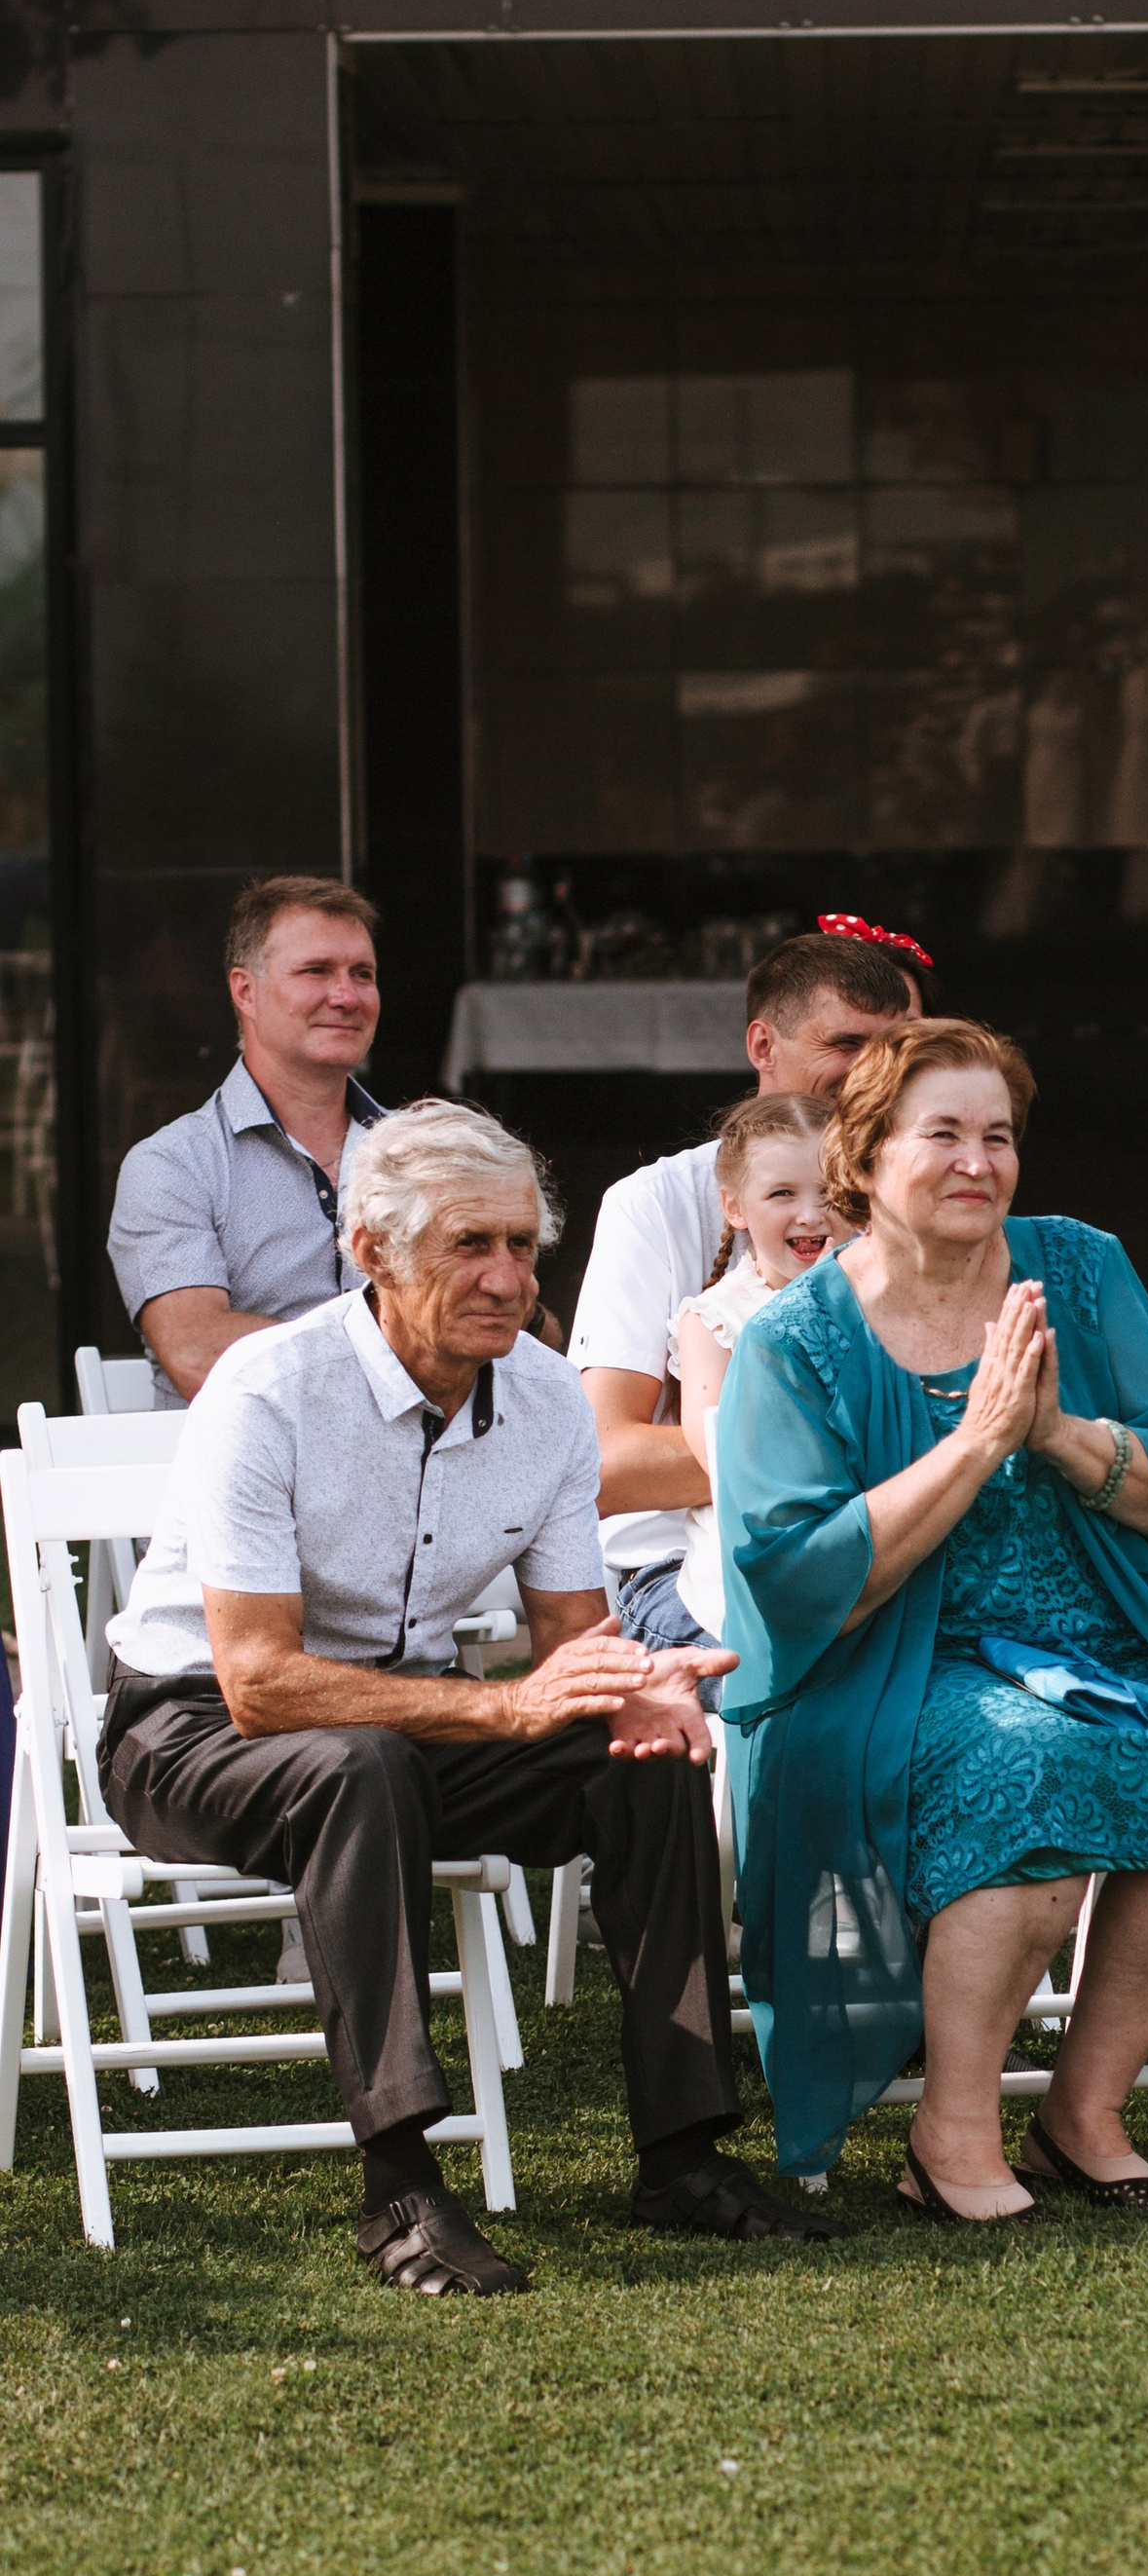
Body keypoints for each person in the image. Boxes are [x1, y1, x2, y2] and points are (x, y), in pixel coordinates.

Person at [99, 1101, 846, 2296]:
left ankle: (684, 2154)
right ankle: (399, 2190)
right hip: (191, 1729)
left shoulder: (545, 1400)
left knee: (642, 1753)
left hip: (397, 1726)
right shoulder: (267, 1389)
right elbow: (259, 1680)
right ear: (373, 1253)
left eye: (520, 1247)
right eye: (469, 1246)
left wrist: (640, 1685)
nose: (507, 1279)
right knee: (359, 1763)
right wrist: (504, 1709)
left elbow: (571, 1640)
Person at [711, 1019, 1148, 2222]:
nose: (976, 1162)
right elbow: (797, 1580)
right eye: (941, 1133)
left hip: (1095, 1642)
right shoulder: (797, 1344)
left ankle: (1080, 2111)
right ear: (867, 1152)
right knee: (1031, 1760)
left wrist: (1050, 1432)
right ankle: (952, 2129)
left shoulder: (1079, 1271)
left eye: (997, 1136)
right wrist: (978, 1439)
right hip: (889, 1669)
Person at [569, 919, 928, 1665]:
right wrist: (838, 1464)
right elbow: (603, 1463)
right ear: (763, 1046)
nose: (877, 1072)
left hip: (881, 1549)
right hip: (685, 1572)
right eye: (847, 1044)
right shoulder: (657, 1203)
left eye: (894, 1050)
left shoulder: (916, 1198)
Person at [107, 876, 398, 1403]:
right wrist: (415, 1350)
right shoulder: (173, 1166)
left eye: (363, 974)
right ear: (245, 991)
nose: (347, 996)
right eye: (316, 971)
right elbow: (199, 1355)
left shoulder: (423, 1155)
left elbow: (519, 1328)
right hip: (245, 1477)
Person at [668, 1094, 836, 1663]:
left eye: (830, 1191)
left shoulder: (880, 1303)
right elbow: (722, 1453)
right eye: (783, 1194)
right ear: (736, 1207)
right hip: (753, 1564)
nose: (812, 1214)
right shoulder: (714, 1320)